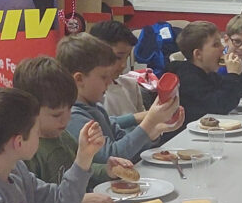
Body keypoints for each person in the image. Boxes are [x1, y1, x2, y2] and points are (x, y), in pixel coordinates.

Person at [13, 56, 134, 199]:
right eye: (56, 115)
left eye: (70, 109)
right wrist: (79, 200)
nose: (66, 119)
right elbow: (37, 201)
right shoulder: (26, 153)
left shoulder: (64, 136)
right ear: (28, 111)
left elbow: (79, 169)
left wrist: (107, 170)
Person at [56, 33, 184, 162]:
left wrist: (154, 131)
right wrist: (149, 122)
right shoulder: (72, 116)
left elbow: (127, 145)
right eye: (103, 77)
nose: (110, 82)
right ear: (79, 79)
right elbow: (111, 156)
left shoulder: (97, 108)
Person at [165, 21, 242, 125]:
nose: (223, 48)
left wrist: (238, 72)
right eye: (216, 44)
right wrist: (233, 75)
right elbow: (222, 106)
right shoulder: (188, 78)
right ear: (198, 54)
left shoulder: (208, 73)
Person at [89, 20, 147, 126]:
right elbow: (100, 126)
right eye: (118, 57)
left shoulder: (131, 85)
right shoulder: (89, 93)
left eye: (127, 57)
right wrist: (138, 118)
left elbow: (148, 129)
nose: (124, 65)